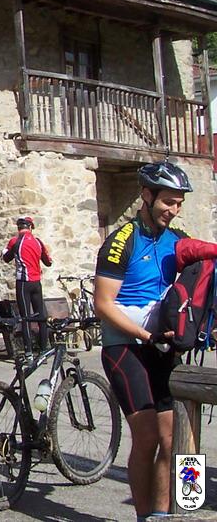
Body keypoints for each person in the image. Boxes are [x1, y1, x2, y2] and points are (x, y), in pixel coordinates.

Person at [95, 161, 217, 521]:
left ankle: (167, 514)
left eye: (179, 203)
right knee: (147, 436)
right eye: (167, 202)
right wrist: (146, 335)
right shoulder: (121, 241)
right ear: (146, 196)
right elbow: (103, 304)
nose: (173, 210)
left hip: (163, 346)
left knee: (176, 437)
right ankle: (144, 516)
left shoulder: (177, 239)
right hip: (125, 347)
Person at [1, 216, 52, 354]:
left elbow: (6, 258)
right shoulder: (38, 242)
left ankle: (28, 351)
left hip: (23, 282)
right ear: (30, 227)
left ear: (18, 228)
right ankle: (43, 349)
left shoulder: (15, 241)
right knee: (41, 316)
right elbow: (48, 262)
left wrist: (6, 251)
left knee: (25, 318)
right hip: (36, 282)